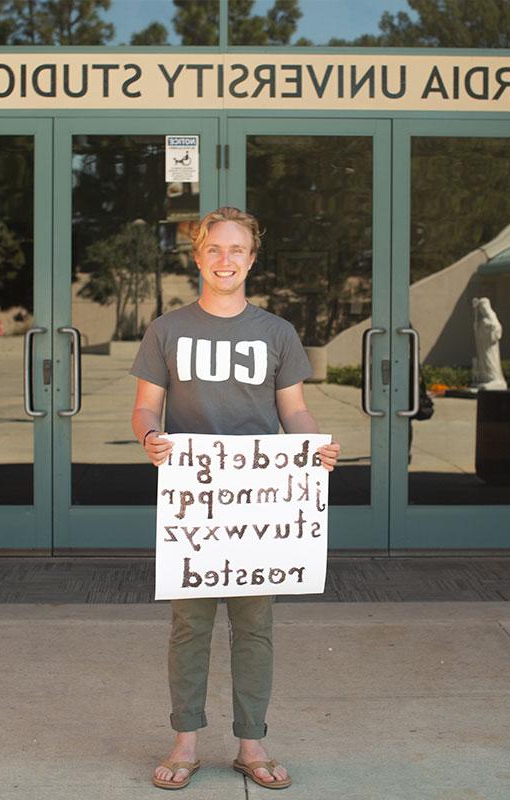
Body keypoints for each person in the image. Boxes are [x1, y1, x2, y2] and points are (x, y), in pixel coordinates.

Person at [130, 207, 340, 790]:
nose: (226, 260)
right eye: (214, 249)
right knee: (189, 627)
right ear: (198, 257)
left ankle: (252, 742)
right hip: (193, 503)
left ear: (252, 258)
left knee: (254, 626)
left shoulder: (277, 333)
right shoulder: (167, 329)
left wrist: (311, 448)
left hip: (260, 504)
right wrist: (150, 437)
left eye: (237, 250)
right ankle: (185, 741)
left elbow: (293, 408)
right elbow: (147, 406)